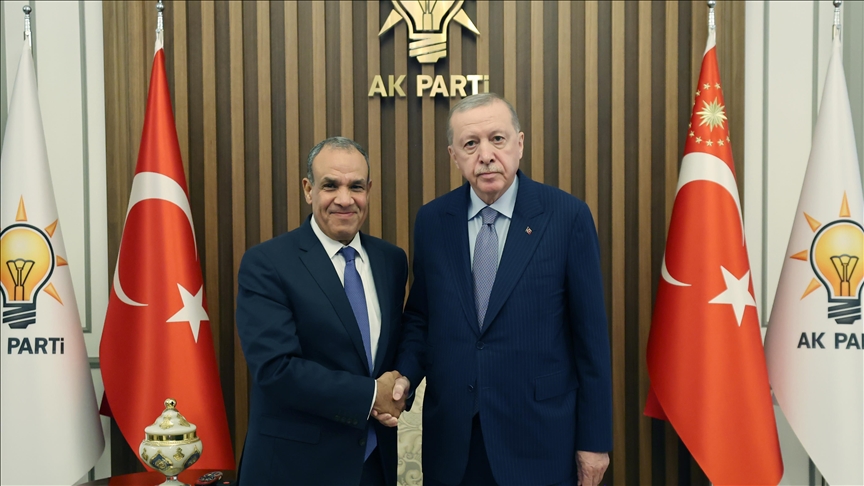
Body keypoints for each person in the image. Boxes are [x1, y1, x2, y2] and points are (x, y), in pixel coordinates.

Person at [386, 93, 613, 486]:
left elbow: (590, 339)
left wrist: (594, 442)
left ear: (519, 144)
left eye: (497, 139)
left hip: (539, 439)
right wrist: (404, 375)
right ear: (454, 156)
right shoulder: (433, 221)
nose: (486, 155)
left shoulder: (566, 217)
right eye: (470, 144)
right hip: (454, 442)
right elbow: (422, 316)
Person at [235, 137, 408, 485]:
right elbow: (276, 369)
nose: (344, 199)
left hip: (374, 467)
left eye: (355, 186)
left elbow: (396, 347)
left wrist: (401, 384)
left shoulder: (391, 260)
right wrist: (371, 395)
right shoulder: (267, 263)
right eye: (331, 185)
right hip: (295, 469)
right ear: (308, 189)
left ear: (369, 190)